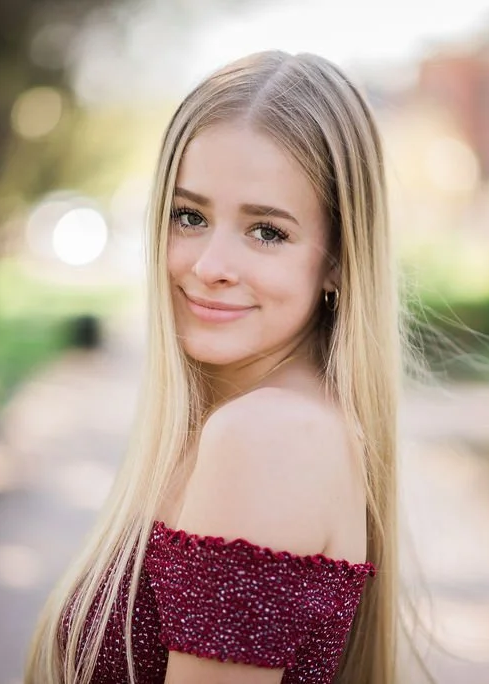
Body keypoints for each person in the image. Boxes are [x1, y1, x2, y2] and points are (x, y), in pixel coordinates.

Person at [26, 49, 424, 684]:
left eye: (266, 231)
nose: (210, 263)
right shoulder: (247, 421)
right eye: (190, 216)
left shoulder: (267, 437)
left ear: (338, 261)